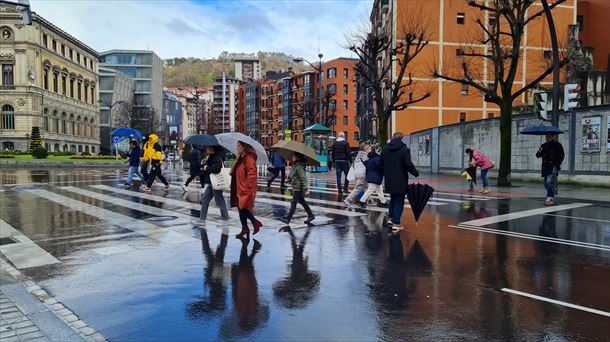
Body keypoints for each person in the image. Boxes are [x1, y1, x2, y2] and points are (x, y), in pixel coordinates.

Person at [382, 132, 419, 231]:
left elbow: (381, 164)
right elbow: (408, 164)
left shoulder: (385, 149)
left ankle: (390, 218)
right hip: (400, 179)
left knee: (393, 199)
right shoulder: (404, 150)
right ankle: (396, 223)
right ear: (402, 139)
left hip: (389, 179)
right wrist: (415, 173)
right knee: (399, 200)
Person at [230, 141, 262, 239]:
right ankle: (245, 228)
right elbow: (238, 172)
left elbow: (252, 174)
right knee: (240, 209)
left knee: (242, 208)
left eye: (239, 146)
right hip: (239, 187)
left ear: (245, 147)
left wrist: (248, 188)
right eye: (237, 146)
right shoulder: (241, 158)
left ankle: (255, 222)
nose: (237, 148)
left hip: (245, 188)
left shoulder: (249, 158)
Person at [192, 145, 230, 225]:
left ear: (212, 148)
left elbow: (217, 169)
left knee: (219, 201)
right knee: (205, 200)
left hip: (216, 183)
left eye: (208, 147)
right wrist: (203, 164)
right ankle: (202, 220)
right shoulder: (211, 156)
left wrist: (206, 167)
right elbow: (209, 167)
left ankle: (225, 220)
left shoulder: (216, 157)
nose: (206, 149)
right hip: (211, 182)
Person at [281, 153, 315, 225]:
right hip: (295, 186)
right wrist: (289, 179)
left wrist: (306, 190)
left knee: (293, 202)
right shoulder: (294, 165)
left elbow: (303, 178)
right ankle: (311, 215)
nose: (292, 157)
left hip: (298, 187)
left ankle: (288, 218)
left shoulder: (299, 167)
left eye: (294, 156)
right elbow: (294, 175)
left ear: (298, 158)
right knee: (302, 202)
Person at [536, 133, 564, 206]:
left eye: (549, 136)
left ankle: (550, 197)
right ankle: (549, 196)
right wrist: (539, 151)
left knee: (549, 181)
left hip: (553, 166)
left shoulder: (557, 145)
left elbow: (562, 155)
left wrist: (557, 164)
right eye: (546, 136)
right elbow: (538, 156)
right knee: (546, 183)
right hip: (545, 167)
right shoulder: (543, 146)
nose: (547, 138)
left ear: (552, 137)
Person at [344, 143, 369, 208]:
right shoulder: (365, 156)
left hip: (359, 173)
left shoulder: (359, 155)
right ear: (365, 148)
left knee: (365, 187)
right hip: (362, 173)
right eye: (369, 148)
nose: (370, 149)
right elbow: (368, 164)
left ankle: (364, 200)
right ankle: (348, 199)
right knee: (359, 188)